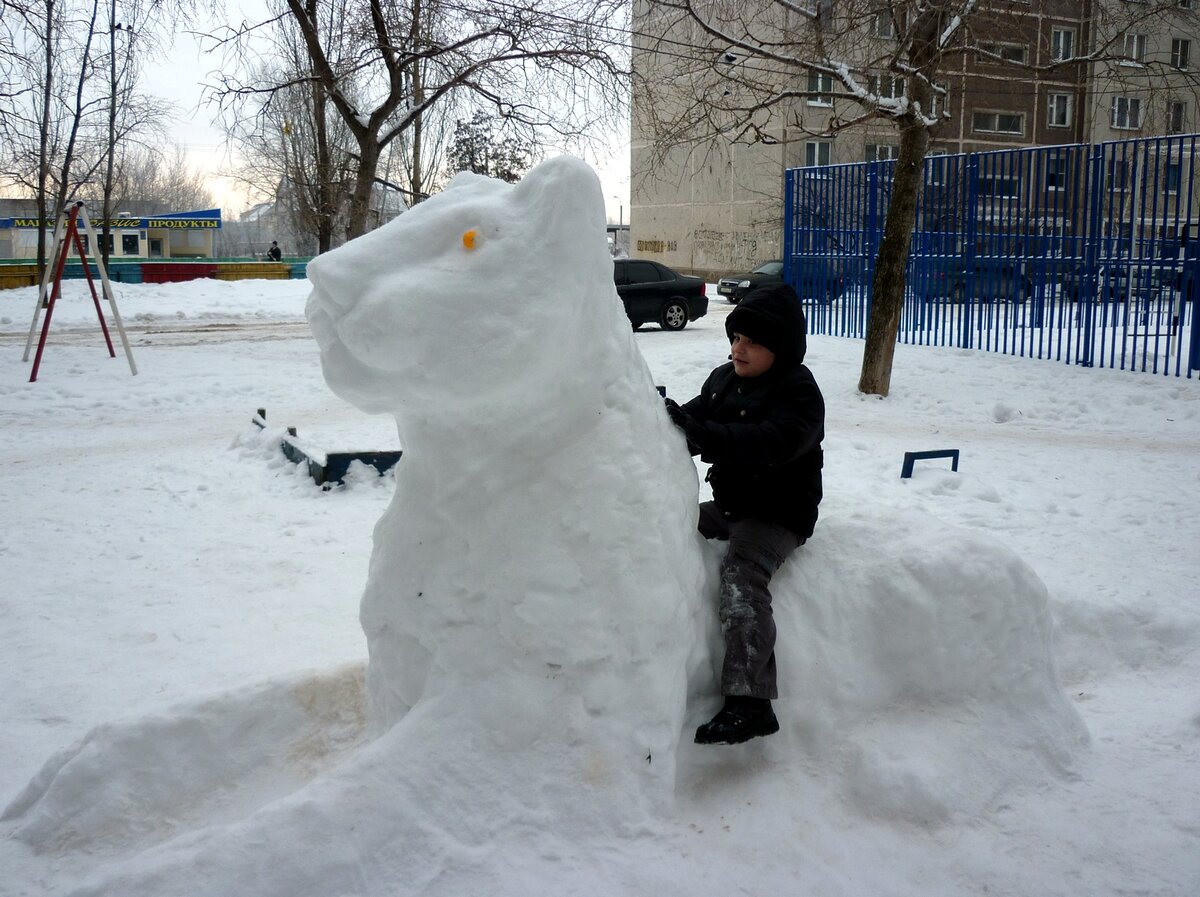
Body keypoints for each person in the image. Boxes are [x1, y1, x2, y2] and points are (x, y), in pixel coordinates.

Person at [663, 282, 825, 745]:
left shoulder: (798, 391)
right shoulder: (722, 379)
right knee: (668, 524)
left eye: (752, 341)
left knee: (741, 578)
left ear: (781, 346)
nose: (739, 348)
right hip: (731, 504)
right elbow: (692, 427)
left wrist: (704, 434)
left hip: (777, 512)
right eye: (735, 337)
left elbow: (771, 444)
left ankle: (750, 702)